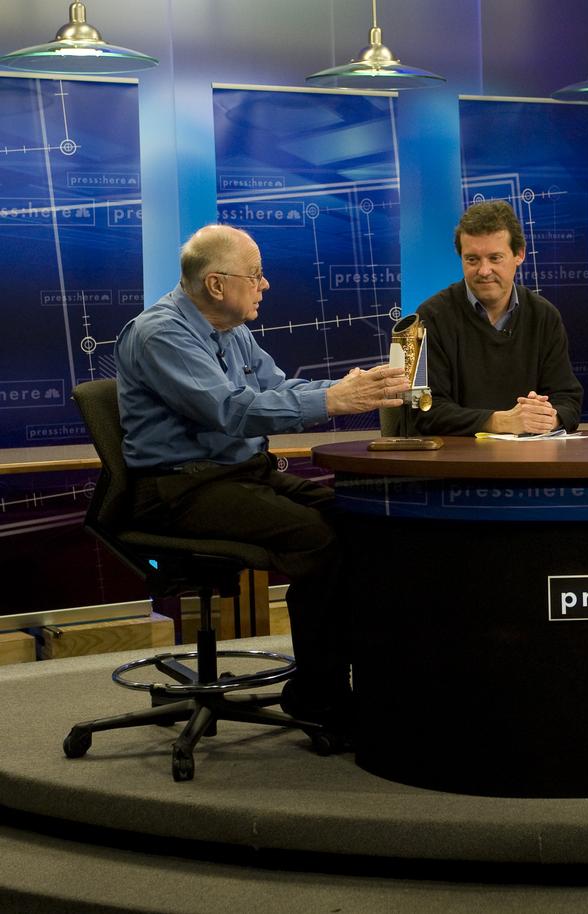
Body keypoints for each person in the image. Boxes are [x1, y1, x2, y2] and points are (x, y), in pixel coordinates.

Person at [115, 223, 409, 739]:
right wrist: (333, 402)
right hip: (179, 488)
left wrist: (345, 388)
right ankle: (317, 696)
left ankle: (355, 680)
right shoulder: (161, 333)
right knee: (315, 539)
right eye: (255, 276)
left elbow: (278, 389)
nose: (265, 285)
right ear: (216, 285)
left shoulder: (232, 330)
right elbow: (229, 411)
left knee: (357, 519)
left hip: (237, 473)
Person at [394, 200, 582, 437]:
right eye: (472, 260)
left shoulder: (544, 316)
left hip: (528, 464)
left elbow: (568, 400)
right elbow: (423, 411)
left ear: (519, 254)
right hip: (453, 466)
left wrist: (546, 418)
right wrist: (500, 422)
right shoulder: (432, 317)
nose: (483, 271)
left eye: (495, 258)